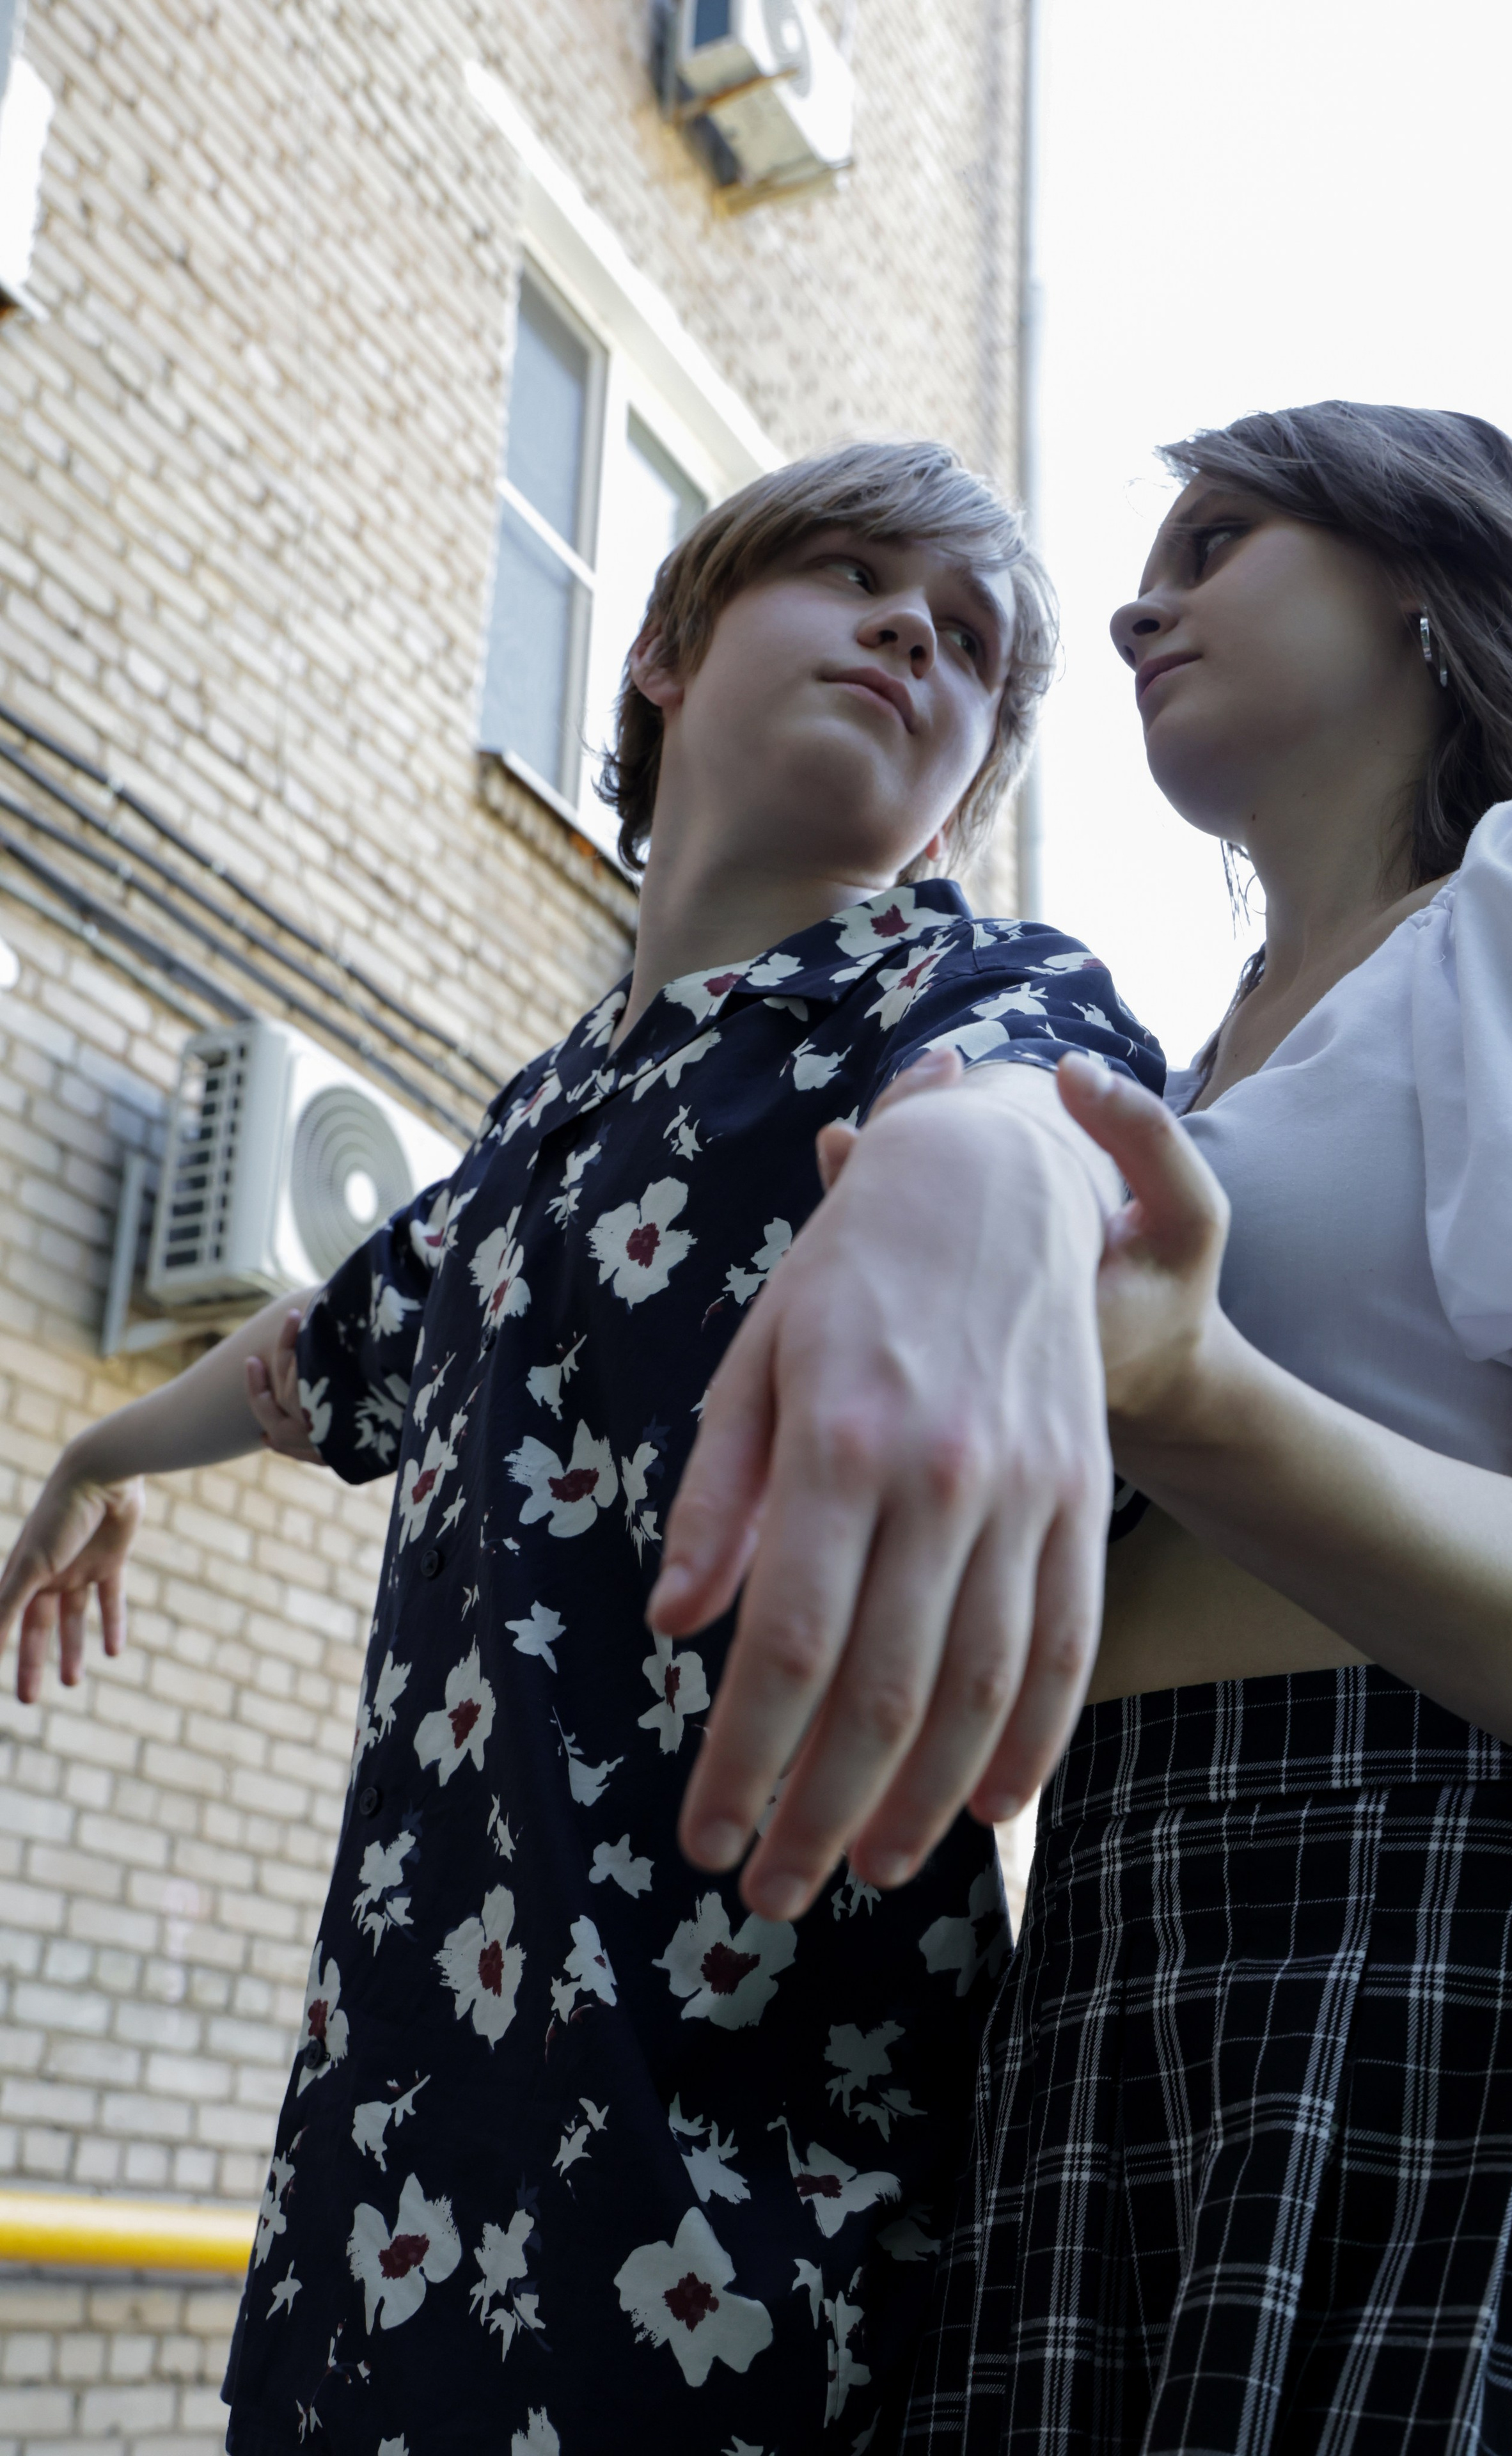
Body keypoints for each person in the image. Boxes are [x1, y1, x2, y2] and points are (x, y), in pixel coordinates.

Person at [0, 439, 1165, 2452]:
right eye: (853, 573)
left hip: (751, 2232)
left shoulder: (960, 993)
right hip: (390, 2181)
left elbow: (1034, 1114)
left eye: (968, 639)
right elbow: (310, 1353)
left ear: (966, 794)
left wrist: (993, 1171)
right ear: (662, 654)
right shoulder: (531, 1134)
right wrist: (98, 1452)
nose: (915, 627)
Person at [658, 402, 1512, 2449]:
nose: (1129, 608)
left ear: (1424, 572)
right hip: (1107, 1938)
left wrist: (1193, 1397)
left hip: (1438, 1915)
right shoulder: (1185, 1066)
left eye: (1219, 539)